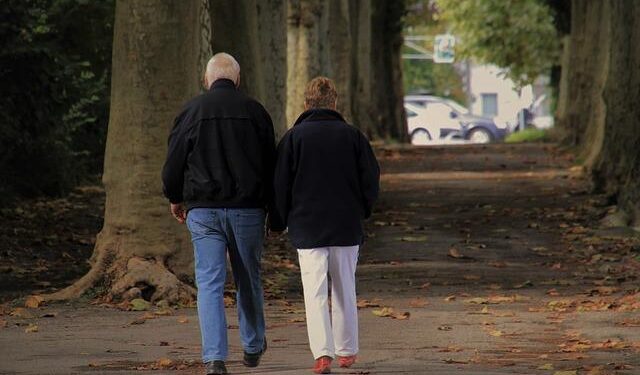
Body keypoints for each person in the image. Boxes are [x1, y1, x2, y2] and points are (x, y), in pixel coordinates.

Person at [162, 52, 277, 375]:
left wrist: (175, 197)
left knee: (209, 282)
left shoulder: (191, 111)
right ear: (238, 79)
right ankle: (253, 345)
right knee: (247, 278)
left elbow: (174, 161)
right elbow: (272, 164)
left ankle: (214, 357)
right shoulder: (256, 112)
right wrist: (273, 208)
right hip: (248, 210)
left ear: (206, 79)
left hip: (204, 210)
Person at [271, 77, 380, 374]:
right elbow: (370, 180)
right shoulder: (354, 137)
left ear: (306, 104)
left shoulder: (293, 139)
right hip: (346, 225)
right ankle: (347, 350)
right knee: (345, 287)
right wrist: (363, 211)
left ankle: (322, 353)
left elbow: (280, 185)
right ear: (335, 103)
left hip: (307, 227)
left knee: (314, 292)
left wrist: (278, 221)